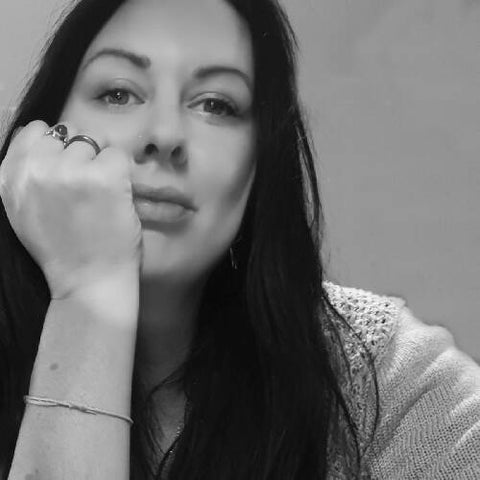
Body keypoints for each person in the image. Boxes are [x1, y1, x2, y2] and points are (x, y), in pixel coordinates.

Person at [0, 0, 479, 478]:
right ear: (41, 136)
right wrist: (87, 290)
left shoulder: (380, 377)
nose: (164, 135)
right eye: (118, 93)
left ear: (260, 164)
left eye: (216, 104)